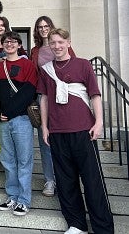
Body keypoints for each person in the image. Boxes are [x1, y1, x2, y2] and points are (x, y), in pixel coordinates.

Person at [38, 28, 114, 234]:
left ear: (68, 42)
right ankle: (76, 224)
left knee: (92, 181)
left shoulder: (83, 64)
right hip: (57, 131)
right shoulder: (46, 69)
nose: (57, 46)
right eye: (53, 43)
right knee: (65, 181)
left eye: (60, 42)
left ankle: (103, 228)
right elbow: (44, 99)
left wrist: (99, 122)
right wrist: (45, 127)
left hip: (83, 130)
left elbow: (95, 95)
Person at [29, 16, 76, 197]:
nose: (43, 29)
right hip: (44, 96)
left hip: (65, 96)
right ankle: (50, 180)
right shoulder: (35, 50)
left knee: (64, 138)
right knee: (45, 139)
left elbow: (74, 66)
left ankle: (65, 178)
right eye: (40, 27)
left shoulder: (62, 45)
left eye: (46, 26)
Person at [0, 31, 37, 216]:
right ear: (2, 45)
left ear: (19, 44)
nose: (10, 44)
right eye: (6, 41)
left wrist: (8, 112)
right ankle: (12, 196)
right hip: (3, 122)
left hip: (21, 120)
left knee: (24, 160)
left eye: (13, 41)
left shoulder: (28, 65)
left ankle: (24, 200)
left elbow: (29, 92)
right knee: (7, 160)